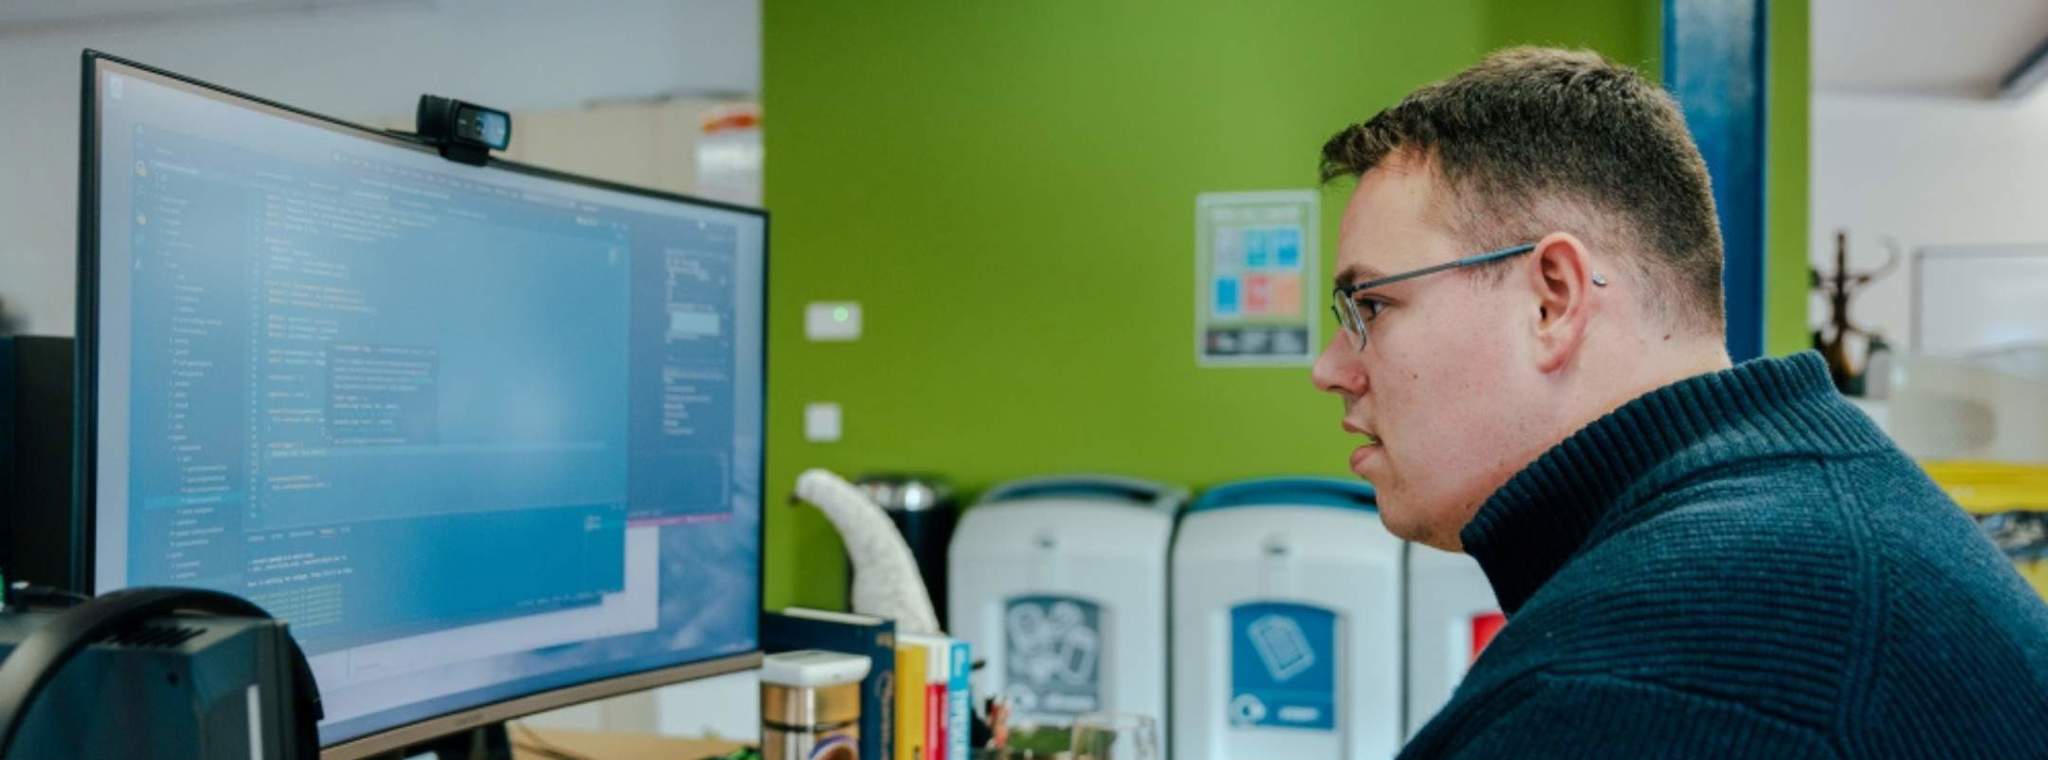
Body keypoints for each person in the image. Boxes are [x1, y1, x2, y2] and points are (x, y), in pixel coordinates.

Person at [1311, 46, 2048, 757]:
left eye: (1371, 306)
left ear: (1552, 300)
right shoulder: (1815, 510)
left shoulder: (1665, 674)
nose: (1331, 368)